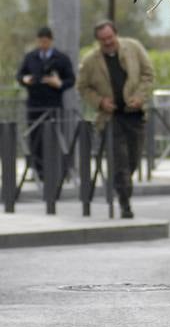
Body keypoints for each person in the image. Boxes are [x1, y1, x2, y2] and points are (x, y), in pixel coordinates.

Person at [77, 21, 154, 218]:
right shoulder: (90, 61)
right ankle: (124, 203)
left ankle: (121, 188)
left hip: (135, 116)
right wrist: (100, 102)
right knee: (119, 163)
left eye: (110, 38)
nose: (108, 42)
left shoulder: (133, 48)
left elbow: (148, 74)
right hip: (111, 119)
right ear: (98, 41)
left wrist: (140, 96)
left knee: (132, 161)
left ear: (116, 34)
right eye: (103, 40)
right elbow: (83, 87)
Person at [16, 27, 75, 181]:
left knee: (56, 138)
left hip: (53, 106)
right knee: (35, 140)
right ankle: (38, 172)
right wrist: (25, 80)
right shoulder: (30, 57)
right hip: (34, 105)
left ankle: (59, 171)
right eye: (40, 41)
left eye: (45, 41)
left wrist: (59, 83)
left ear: (50, 40)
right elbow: (20, 75)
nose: (43, 44)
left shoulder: (61, 58)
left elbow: (71, 80)